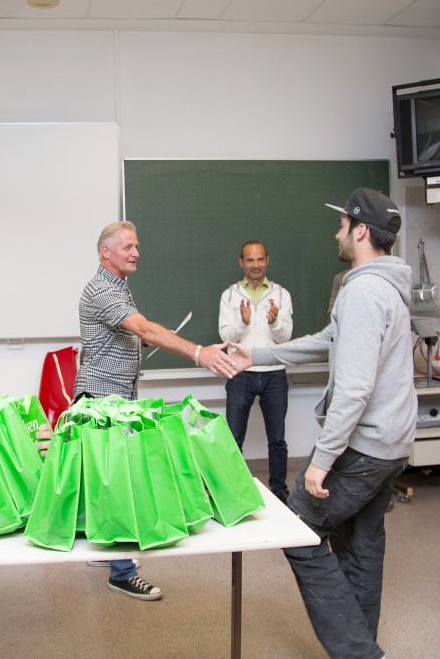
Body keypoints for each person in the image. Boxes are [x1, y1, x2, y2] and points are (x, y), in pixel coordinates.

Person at [230, 188, 416, 659]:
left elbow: (354, 388)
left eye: (342, 225)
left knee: (299, 529)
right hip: (392, 446)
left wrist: (322, 460)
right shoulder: (386, 286)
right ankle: (362, 643)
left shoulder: (364, 292)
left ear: (361, 231)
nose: (337, 234)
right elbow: (327, 340)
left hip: (362, 448)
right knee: (361, 543)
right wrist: (258, 354)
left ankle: (360, 652)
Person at [75, 220, 238, 602]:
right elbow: (145, 329)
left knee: (104, 479)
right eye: (128, 247)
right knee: (123, 481)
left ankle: (105, 546)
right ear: (106, 252)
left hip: (114, 395)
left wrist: (136, 346)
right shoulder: (103, 289)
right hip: (104, 397)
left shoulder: (119, 285)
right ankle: (123, 572)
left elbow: (128, 334)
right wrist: (198, 352)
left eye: (136, 246)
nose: (136, 253)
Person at [218, 241, 294, 503]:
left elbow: (285, 337)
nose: (255, 265)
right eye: (250, 260)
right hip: (240, 373)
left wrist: (274, 323)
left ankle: (279, 490)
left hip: (274, 373)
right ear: (241, 263)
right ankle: (234, 491)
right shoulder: (230, 295)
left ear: (267, 261)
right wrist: (243, 322)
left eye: (260, 259)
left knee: (277, 439)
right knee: (234, 437)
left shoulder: (281, 294)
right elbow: (225, 336)